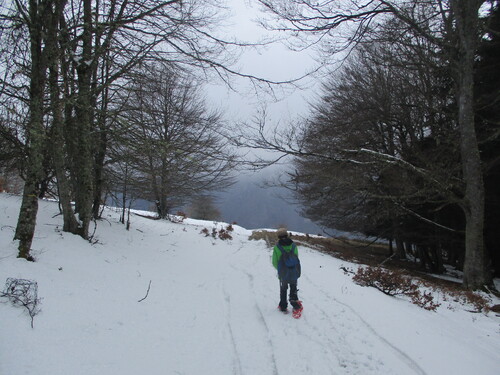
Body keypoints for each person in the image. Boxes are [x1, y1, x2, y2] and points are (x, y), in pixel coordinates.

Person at [272, 228, 302, 313]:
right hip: (293, 272)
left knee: (283, 289)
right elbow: (296, 257)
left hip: (283, 273)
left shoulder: (277, 247)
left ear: (278, 236)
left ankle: (283, 306)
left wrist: (279, 269)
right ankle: (295, 305)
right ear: (287, 235)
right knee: (293, 288)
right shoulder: (293, 245)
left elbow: (274, 262)